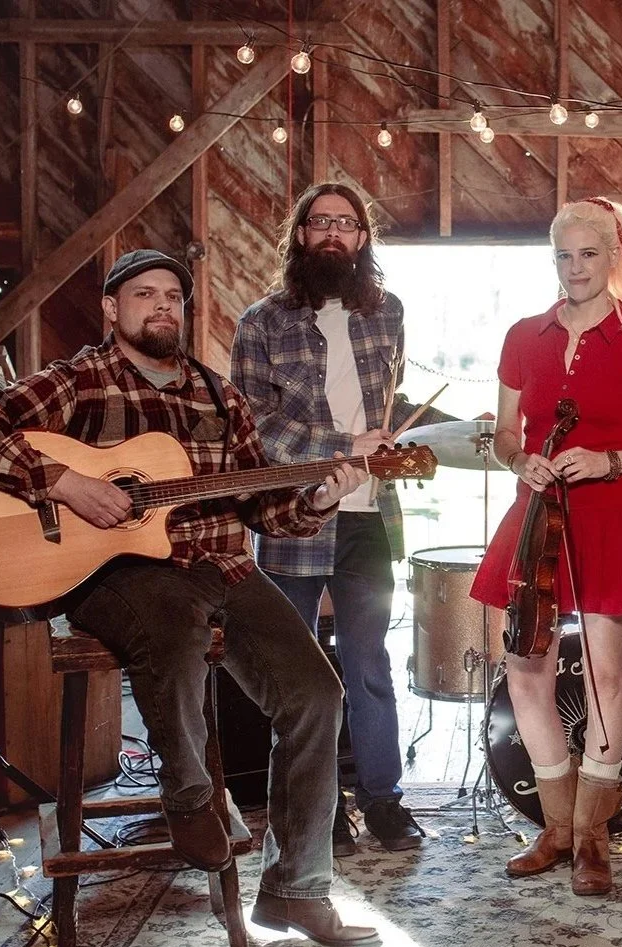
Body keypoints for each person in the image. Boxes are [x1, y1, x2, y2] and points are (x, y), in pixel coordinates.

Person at [0, 250, 378, 947]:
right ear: (112, 308)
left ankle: (297, 890)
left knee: (317, 694)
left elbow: (261, 508)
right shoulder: (79, 380)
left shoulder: (220, 396)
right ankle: (190, 797)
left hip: (222, 566)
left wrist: (315, 499)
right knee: (174, 628)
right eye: (144, 294)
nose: (162, 305)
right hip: (117, 575)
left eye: (172, 296)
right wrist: (67, 483)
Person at [469, 197, 622, 895]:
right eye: (563, 256)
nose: (574, 268)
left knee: (604, 676)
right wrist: (519, 459)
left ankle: (593, 837)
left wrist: (610, 460)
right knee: (524, 669)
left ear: (615, 257)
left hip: (612, 515)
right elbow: (505, 434)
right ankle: (558, 828)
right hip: (537, 516)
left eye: (588, 254)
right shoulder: (523, 336)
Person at [231, 182, 455, 857]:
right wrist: (339, 447)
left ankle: (383, 803)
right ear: (301, 234)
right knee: (297, 679)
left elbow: (383, 406)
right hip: (292, 518)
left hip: (367, 520)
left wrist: (417, 436)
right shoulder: (261, 322)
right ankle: (315, 809)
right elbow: (251, 424)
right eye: (320, 221)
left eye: (346, 223)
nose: (333, 232)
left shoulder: (388, 313)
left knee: (369, 667)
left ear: (361, 239)